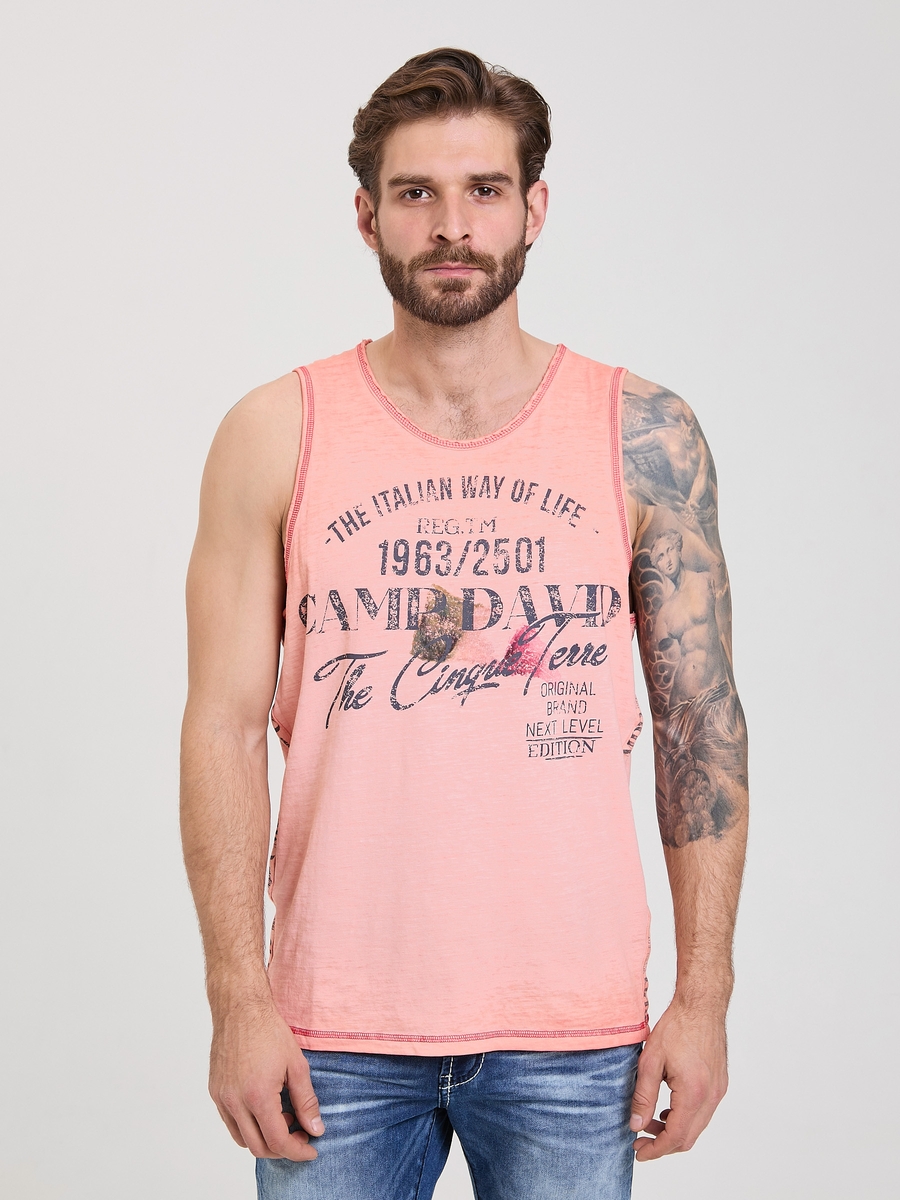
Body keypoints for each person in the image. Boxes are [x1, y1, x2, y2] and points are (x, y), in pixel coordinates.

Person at [180, 47, 749, 1200]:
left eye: (485, 190)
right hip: (330, 1029)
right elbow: (223, 729)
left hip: (574, 1031)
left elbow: (700, 726)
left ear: (533, 208)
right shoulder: (274, 433)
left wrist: (703, 997)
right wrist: (238, 1001)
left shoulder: (644, 435)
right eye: (417, 193)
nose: (452, 226)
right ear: (367, 215)